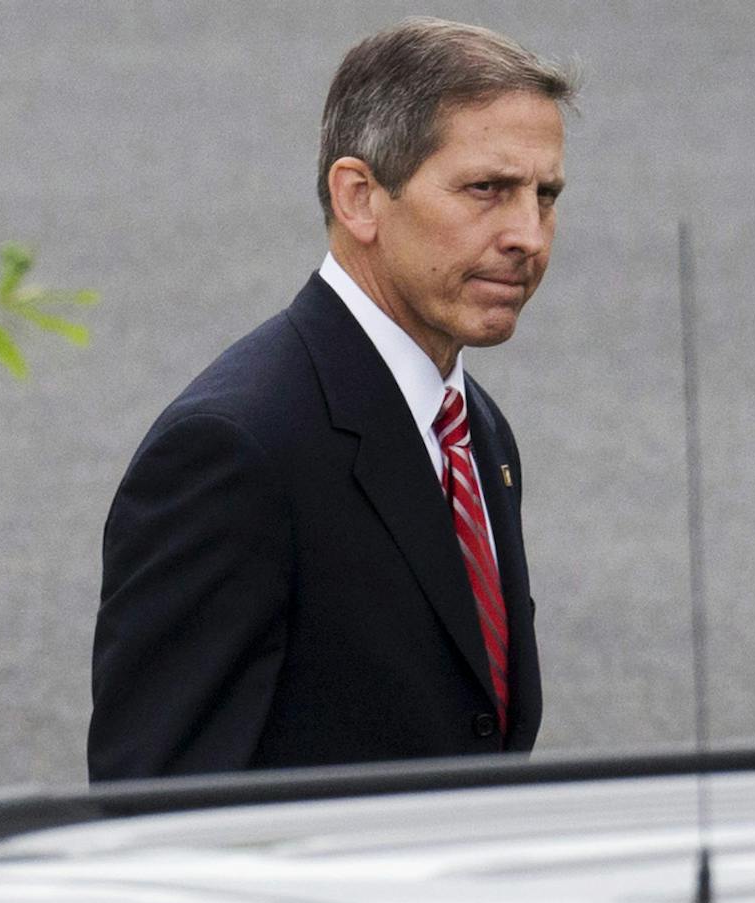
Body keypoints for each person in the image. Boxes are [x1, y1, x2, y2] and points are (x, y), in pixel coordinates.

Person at [88, 19, 576, 781]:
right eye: (488, 189)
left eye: (544, 196)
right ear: (359, 198)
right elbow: (159, 804)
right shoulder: (233, 451)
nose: (528, 235)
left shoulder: (476, 430)